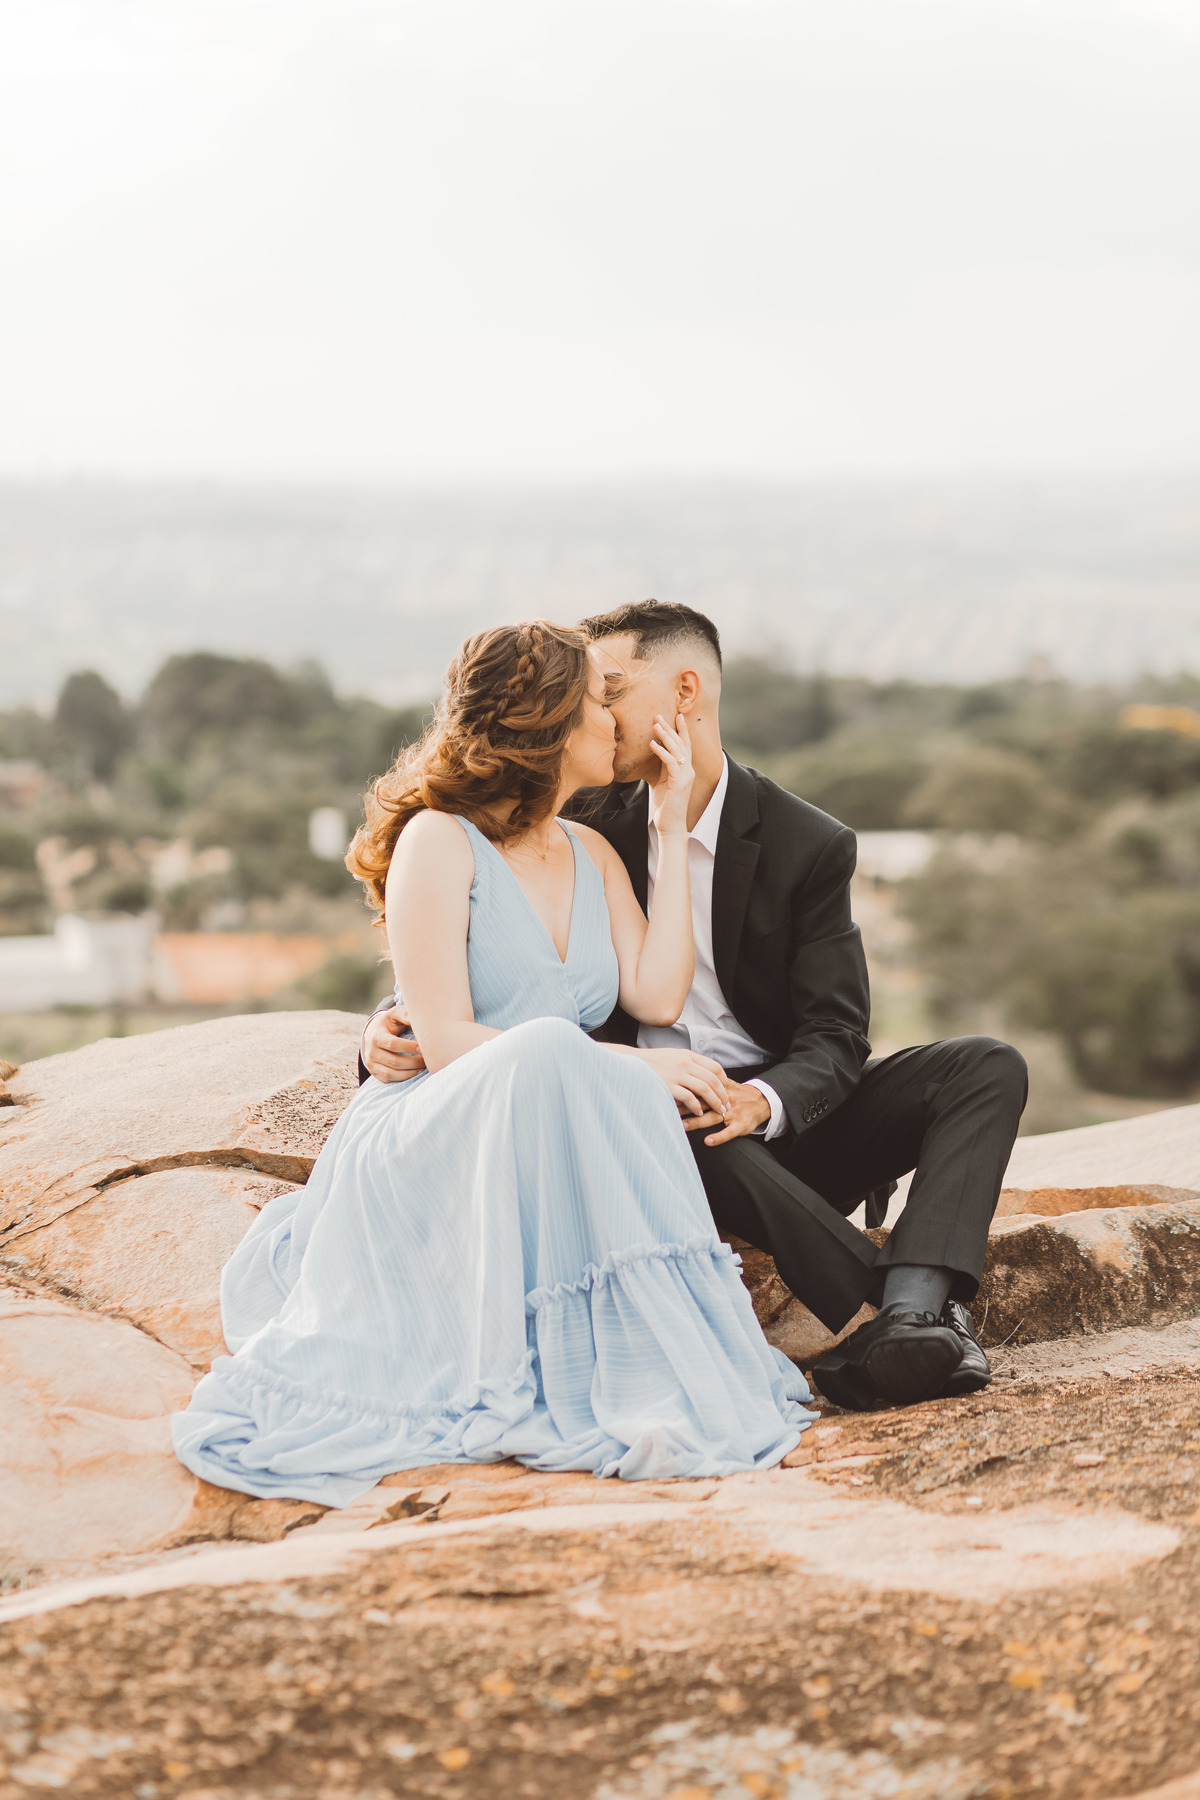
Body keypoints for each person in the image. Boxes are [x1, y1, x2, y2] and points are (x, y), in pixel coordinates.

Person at [172, 621, 815, 1505]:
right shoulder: (438, 841)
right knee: (557, 1047)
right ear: (551, 723)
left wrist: (669, 826)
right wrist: (620, 1070)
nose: (617, 722)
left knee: (571, 1060)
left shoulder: (593, 852)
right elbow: (442, 1040)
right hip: (441, 1123)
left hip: (547, 1128)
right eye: (599, 704)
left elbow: (659, 996)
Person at [363, 603, 1028, 1413]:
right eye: (594, 698)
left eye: (613, 690)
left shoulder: (807, 842)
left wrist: (762, 1102)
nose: (604, 714)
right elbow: (481, 949)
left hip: (767, 1125)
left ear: (685, 693)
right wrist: (388, 1025)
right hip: (633, 1124)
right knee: (675, 1111)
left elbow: (836, 1036)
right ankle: (895, 1319)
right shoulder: (576, 807)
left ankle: (913, 1307)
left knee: (985, 1065)